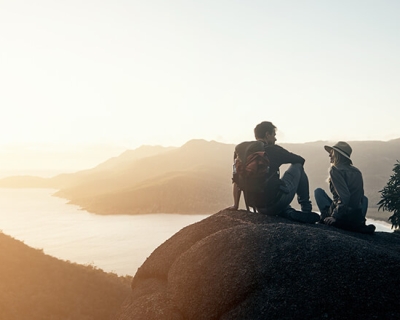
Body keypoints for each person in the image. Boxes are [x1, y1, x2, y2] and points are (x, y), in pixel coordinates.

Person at [230, 121, 320, 224]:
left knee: (275, 195)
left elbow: (236, 179)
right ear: (267, 135)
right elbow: (300, 160)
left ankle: (288, 212)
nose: (275, 139)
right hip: (276, 202)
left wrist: (235, 205)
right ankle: (306, 209)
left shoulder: (242, 151)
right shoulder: (273, 149)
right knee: (298, 166)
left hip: (257, 206)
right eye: (274, 135)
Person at [314, 141, 375, 234]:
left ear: (337, 155)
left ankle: (324, 218)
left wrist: (335, 216)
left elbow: (345, 196)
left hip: (342, 215)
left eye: (332, 152)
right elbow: (360, 197)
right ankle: (358, 223)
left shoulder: (335, 170)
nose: (329, 155)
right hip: (355, 217)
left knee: (318, 191)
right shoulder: (357, 171)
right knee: (364, 198)